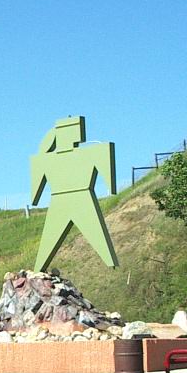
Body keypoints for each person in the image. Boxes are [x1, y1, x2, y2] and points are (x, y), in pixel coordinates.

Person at [30, 116, 118, 271]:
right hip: (68, 200)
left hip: (74, 199)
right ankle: (39, 269)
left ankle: (110, 261)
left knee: (97, 237)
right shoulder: (94, 151)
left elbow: (36, 186)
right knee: (48, 246)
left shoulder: (46, 159)